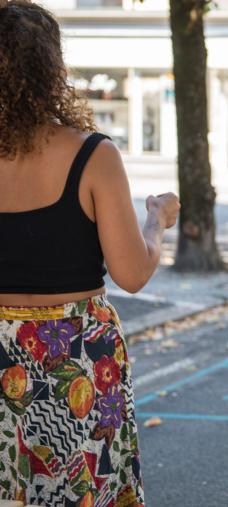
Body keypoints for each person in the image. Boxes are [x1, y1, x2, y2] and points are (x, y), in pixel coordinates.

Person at [0, 2, 180, 504]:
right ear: (51, 68)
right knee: (82, 486)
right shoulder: (92, 155)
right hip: (76, 351)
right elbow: (133, 273)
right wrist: (157, 220)